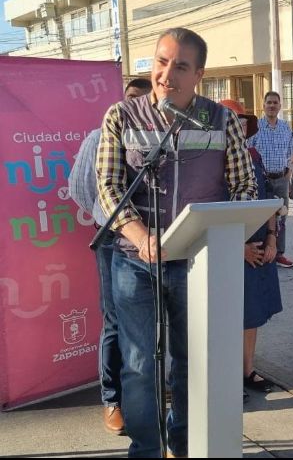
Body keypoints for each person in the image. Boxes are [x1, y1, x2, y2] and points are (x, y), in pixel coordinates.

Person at [96, 28, 256, 457]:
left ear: (198, 74)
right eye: (161, 62)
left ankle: (182, 445)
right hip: (134, 261)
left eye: (180, 66)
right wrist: (140, 235)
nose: (166, 75)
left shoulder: (221, 120)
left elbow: (243, 186)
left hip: (196, 263)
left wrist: (228, 232)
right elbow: (108, 187)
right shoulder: (122, 117)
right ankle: (147, 449)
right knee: (140, 364)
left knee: (189, 361)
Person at [68, 78, 152, 436]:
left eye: (142, 101)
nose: (135, 107)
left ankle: (144, 394)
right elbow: (80, 188)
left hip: (155, 245)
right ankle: (112, 399)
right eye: (131, 99)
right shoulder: (99, 136)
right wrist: (110, 218)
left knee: (148, 324)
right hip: (112, 243)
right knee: (115, 321)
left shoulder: (157, 141)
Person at [219, 99, 282, 401]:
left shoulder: (253, 155)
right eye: (232, 119)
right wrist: (237, 247)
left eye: (242, 120)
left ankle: (246, 370)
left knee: (252, 315)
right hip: (228, 252)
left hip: (260, 246)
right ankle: (226, 378)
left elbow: (268, 199)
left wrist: (272, 237)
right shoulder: (207, 160)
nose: (238, 125)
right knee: (226, 318)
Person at [248, 91, 293, 269]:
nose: (272, 105)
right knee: (262, 217)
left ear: (279, 106)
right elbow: (248, 151)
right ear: (264, 105)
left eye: (275, 102)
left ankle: (279, 253)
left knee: (281, 217)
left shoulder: (285, 127)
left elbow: (291, 153)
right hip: (261, 180)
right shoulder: (256, 126)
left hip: (281, 179)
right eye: (269, 102)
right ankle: (261, 251)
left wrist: (287, 176)